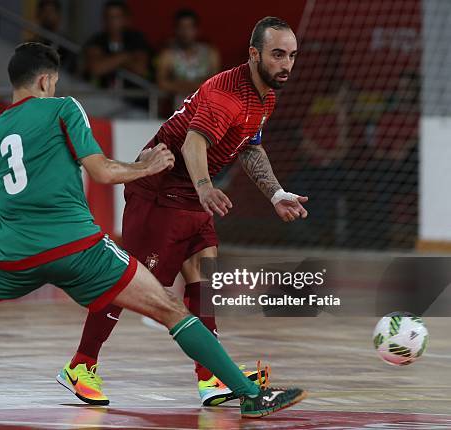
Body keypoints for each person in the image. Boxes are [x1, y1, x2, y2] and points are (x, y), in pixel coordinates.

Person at [0, 42, 306, 419]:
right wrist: (144, 165)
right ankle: (247, 393)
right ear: (48, 81)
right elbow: (104, 173)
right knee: (169, 308)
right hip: (77, 246)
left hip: (10, 254)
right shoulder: (63, 108)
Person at [61, 16, 308, 407]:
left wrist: (275, 193)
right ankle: (81, 364)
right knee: (131, 286)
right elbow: (194, 145)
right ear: (254, 54)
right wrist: (206, 188)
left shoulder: (266, 97)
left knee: (203, 278)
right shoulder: (226, 93)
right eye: (278, 55)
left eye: (292, 56)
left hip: (190, 195)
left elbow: (248, 145)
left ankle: (210, 376)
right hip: (160, 192)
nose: (286, 65)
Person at [157, 9, 221, 108]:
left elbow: (216, 84)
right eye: (181, 27)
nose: (185, 32)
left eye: (189, 27)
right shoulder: (167, 55)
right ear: (175, 30)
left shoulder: (210, 53)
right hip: (178, 113)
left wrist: (179, 85)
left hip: (207, 111)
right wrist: (198, 86)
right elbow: (161, 84)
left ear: (197, 30)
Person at [83, 0, 150, 89]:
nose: (112, 21)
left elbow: (140, 68)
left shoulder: (136, 39)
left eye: (117, 17)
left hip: (132, 97)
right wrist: (125, 57)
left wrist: (108, 61)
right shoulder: (97, 40)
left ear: (126, 19)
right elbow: (96, 68)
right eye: (109, 17)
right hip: (102, 94)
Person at [32, 0, 77, 72]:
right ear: (38, 16)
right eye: (43, 12)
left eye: (50, 12)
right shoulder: (30, 45)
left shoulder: (67, 45)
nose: (47, 16)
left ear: (59, 16)